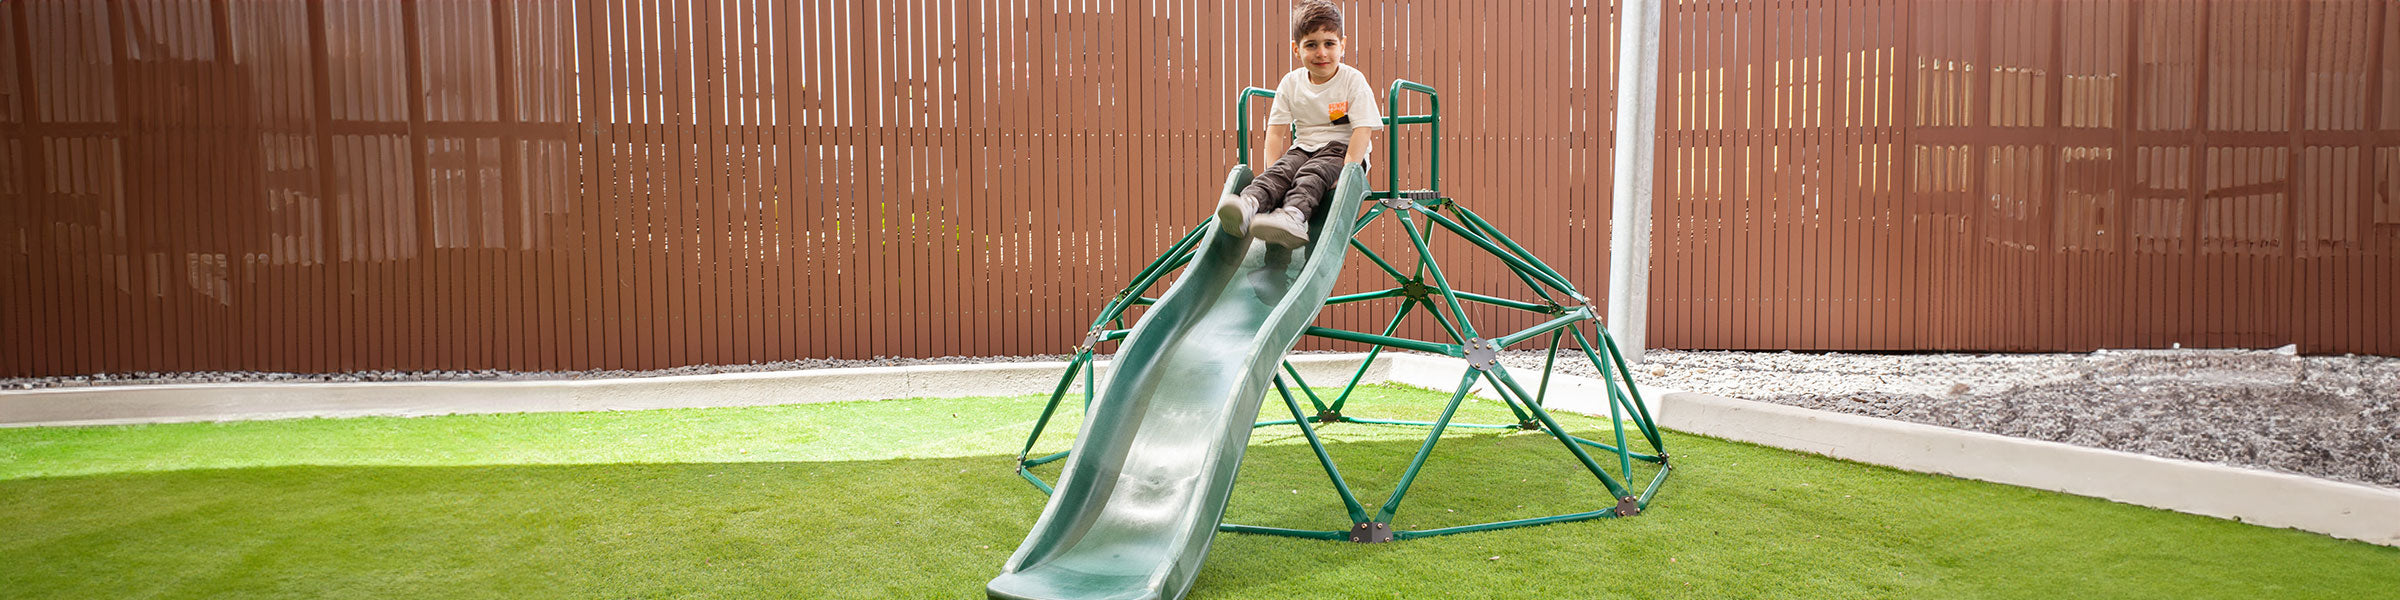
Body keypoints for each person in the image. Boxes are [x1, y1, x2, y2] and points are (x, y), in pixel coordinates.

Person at [1215, 0, 1383, 248]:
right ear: (1296, 49)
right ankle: (1248, 205)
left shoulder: (1352, 80)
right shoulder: (1291, 83)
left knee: (1311, 174)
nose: (1321, 53)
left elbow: (1362, 129)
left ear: (1342, 45)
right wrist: (1274, 171)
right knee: (1281, 172)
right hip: (1304, 149)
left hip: (1342, 151)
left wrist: (1348, 172)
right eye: (1311, 45)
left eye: (1329, 44)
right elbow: (1275, 133)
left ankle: (1292, 217)